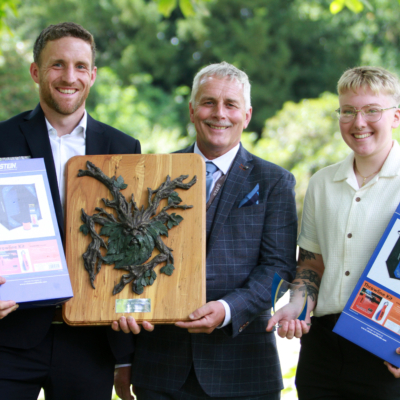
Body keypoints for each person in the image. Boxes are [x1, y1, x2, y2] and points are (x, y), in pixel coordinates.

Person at [0, 22, 141, 400]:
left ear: (93, 75)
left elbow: (133, 244)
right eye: (57, 65)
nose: (69, 77)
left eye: (80, 66)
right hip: (10, 331)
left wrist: (126, 352)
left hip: (91, 339)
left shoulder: (123, 147)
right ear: (36, 71)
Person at [114, 61, 297, 399]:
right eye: (209, 102)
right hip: (161, 367)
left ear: (247, 114)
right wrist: (123, 338)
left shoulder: (274, 182)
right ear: (192, 110)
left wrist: (229, 309)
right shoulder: (152, 175)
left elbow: (279, 270)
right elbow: (129, 259)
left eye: (231, 104)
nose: (219, 114)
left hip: (245, 370)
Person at [267, 66, 400, 400]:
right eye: (348, 111)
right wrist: (298, 305)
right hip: (323, 353)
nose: (358, 122)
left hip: (393, 350)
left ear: (396, 116)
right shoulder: (322, 183)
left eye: (371, 111)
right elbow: (312, 265)